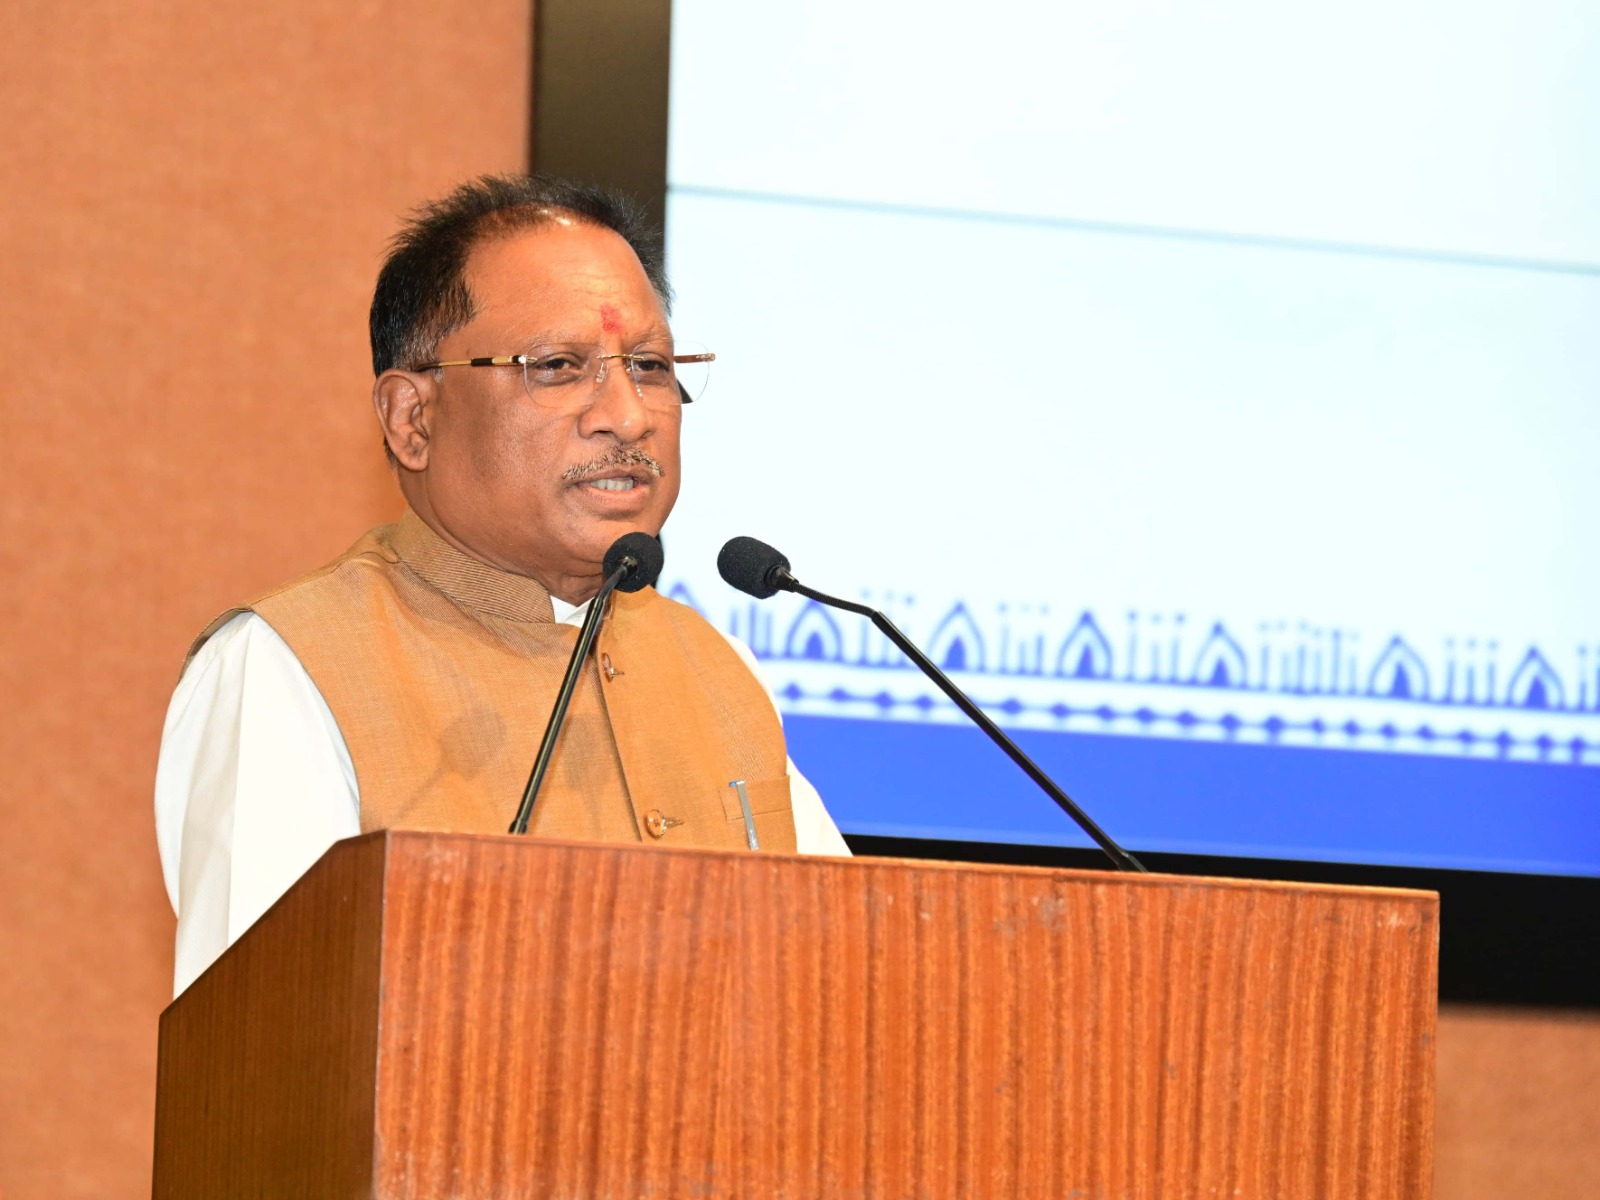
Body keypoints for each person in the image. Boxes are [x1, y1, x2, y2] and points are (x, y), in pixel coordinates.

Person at [154, 175, 847, 997]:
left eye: (651, 366)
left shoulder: (718, 670)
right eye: (557, 366)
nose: (628, 415)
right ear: (413, 419)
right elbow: (263, 1044)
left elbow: (840, 988)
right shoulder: (285, 668)